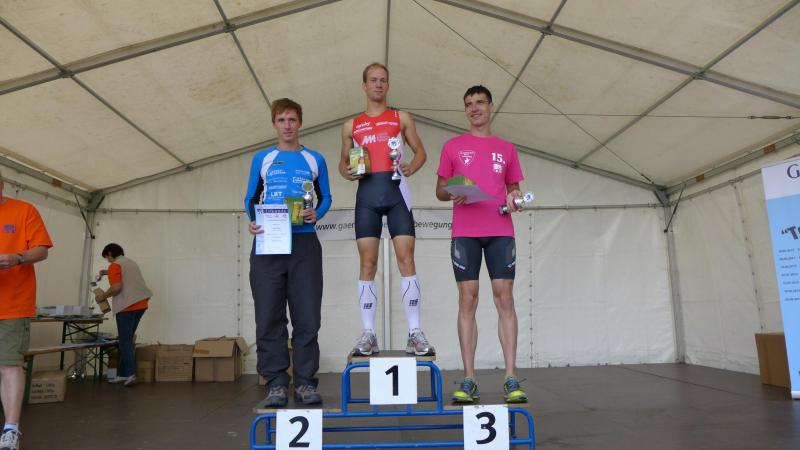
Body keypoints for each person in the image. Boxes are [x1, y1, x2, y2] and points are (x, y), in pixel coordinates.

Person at [435, 85, 529, 404]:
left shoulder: (507, 148)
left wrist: (516, 198)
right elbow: (440, 190)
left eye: (479, 103)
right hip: (465, 232)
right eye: (468, 104)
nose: (474, 108)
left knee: (505, 300)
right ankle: (469, 379)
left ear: (490, 107)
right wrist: (453, 190)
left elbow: (513, 188)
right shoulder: (452, 146)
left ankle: (511, 377)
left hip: (500, 229)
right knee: (467, 300)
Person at [338, 62, 434, 357]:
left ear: (388, 85)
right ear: (364, 85)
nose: (378, 84)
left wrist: (411, 166)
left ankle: (415, 333)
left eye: (383, 80)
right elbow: (342, 163)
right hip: (367, 196)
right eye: (373, 80)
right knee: (368, 264)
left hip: (396, 194)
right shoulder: (351, 125)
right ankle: (369, 334)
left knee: (407, 260)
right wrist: (348, 172)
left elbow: (421, 152)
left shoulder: (400, 117)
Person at [244, 98, 332, 407]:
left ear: (300, 123)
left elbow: (326, 196)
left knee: (307, 316)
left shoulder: (314, 159)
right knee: (269, 316)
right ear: (274, 124)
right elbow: (250, 198)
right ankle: (276, 383)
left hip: (304, 245)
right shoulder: (263, 159)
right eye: (281, 120)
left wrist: (317, 213)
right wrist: (253, 221)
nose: (287, 126)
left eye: (292, 119)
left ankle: (305, 382)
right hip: (269, 243)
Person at [0, 171, 52, 450]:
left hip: (13, 304)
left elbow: (42, 249)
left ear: (1, 185)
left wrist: (17, 258)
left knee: (9, 365)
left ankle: (11, 428)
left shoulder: (24, 211)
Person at [94, 243, 152, 387]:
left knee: (124, 341)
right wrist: (106, 272)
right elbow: (126, 276)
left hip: (127, 307)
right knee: (126, 340)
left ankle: (131, 374)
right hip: (141, 304)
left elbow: (116, 287)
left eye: (107, 257)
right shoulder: (130, 262)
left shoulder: (114, 265)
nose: (108, 260)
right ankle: (122, 374)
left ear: (110, 253)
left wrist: (103, 297)